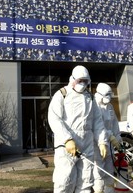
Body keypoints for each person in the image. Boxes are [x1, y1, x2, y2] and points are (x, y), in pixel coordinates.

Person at [48, 65, 108, 193]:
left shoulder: (90, 98)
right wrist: (67, 139)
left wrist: (102, 141)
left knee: (86, 180)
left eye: (85, 81)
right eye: (79, 80)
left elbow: (97, 122)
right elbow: (54, 118)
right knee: (64, 180)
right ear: (72, 79)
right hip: (67, 146)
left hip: (87, 144)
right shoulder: (62, 94)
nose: (82, 84)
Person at [93, 83, 122, 193]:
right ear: (99, 94)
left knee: (109, 169)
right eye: (107, 94)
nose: (109, 97)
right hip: (96, 144)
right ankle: (98, 190)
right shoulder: (93, 105)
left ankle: (109, 190)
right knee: (98, 170)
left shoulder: (109, 106)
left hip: (109, 144)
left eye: (110, 94)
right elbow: (97, 126)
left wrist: (118, 137)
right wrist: (110, 136)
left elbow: (114, 123)